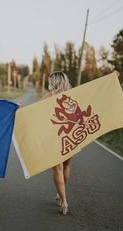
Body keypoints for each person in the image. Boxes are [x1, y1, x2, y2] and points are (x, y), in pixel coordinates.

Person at [41, 71, 72, 215]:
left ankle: (64, 201)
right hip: (70, 135)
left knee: (57, 169)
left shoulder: (49, 96)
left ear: (53, 82)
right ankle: (61, 195)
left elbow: (35, 114)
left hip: (54, 136)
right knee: (66, 165)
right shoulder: (73, 95)